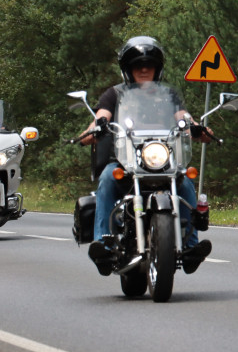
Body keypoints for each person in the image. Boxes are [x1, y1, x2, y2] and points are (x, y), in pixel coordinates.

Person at [79, 36, 212, 275]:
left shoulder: (168, 95)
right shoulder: (114, 94)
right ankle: (104, 242)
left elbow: (182, 116)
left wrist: (195, 127)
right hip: (126, 161)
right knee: (109, 177)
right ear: (127, 69)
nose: (143, 69)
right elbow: (102, 115)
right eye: (137, 65)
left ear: (157, 68)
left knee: (186, 181)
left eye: (148, 65)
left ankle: (190, 246)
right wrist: (96, 127)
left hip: (162, 162)